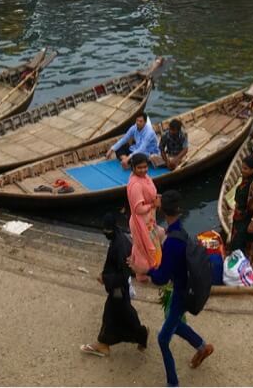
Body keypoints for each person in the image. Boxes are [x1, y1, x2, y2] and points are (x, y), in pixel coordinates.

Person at [147, 192, 214, 386]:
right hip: (186, 286)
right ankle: (202, 347)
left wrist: (147, 270)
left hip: (181, 294)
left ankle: (173, 383)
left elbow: (161, 278)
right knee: (173, 321)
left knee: (162, 339)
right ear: (179, 210)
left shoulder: (172, 242)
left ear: (163, 210)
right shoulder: (179, 232)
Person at [81, 209, 148, 357]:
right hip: (119, 288)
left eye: (106, 230)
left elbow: (123, 274)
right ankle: (140, 335)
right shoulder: (120, 237)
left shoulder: (118, 246)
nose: (105, 232)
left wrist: (105, 279)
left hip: (118, 288)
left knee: (114, 313)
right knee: (122, 313)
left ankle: (104, 343)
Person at [125, 153, 162, 279]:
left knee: (144, 247)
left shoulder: (145, 178)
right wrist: (153, 204)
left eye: (145, 167)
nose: (143, 170)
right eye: (139, 168)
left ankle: (145, 271)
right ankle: (141, 272)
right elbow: (138, 209)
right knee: (143, 249)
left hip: (149, 220)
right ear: (133, 168)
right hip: (141, 221)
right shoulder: (136, 185)